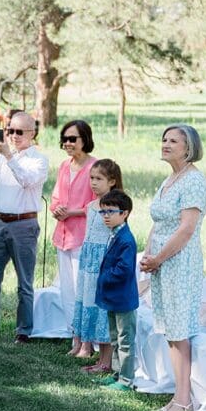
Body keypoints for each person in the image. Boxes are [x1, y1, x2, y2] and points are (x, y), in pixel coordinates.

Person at [139, 124, 206, 411]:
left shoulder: (194, 181)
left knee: (179, 331)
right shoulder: (169, 179)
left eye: (173, 141)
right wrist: (148, 254)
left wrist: (160, 258)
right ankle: (177, 395)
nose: (165, 144)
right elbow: (159, 222)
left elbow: (186, 229)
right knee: (169, 329)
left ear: (188, 148)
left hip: (179, 262)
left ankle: (184, 399)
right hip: (161, 261)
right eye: (164, 139)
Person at [0, 111, 49, 343]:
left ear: (32, 133)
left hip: (23, 223)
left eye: (19, 132)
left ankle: (24, 330)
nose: (14, 136)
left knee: (24, 282)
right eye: (10, 131)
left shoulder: (38, 160)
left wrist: (8, 155)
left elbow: (27, 180)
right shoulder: (0, 157)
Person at [49, 119, 96, 355]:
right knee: (67, 291)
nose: (67, 143)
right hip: (63, 236)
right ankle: (74, 339)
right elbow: (56, 198)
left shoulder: (96, 167)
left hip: (84, 237)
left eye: (72, 139)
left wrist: (74, 211)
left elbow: (102, 203)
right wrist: (57, 210)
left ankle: (87, 343)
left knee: (83, 291)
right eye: (64, 138)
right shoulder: (64, 167)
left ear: (84, 139)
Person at [74, 159, 122, 373]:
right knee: (92, 306)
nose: (93, 183)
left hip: (104, 262)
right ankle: (100, 358)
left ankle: (106, 362)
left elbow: (118, 236)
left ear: (111, 181)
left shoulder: (113, 207)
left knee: (104, 310)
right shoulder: (91, 206)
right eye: (91, 178)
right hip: (88, 265)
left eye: (99, 179)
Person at [94, 190, 139, 392]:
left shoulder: (126, 239)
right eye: (103, 212)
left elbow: (124, 269)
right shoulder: (114, 233)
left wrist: (104, 277)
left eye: (111, 211)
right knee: (115, 338)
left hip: (123, 298)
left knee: (125, 340)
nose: (106, 216)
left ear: (125, 213)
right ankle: (117, 373)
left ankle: (126, 380)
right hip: (112, 297)